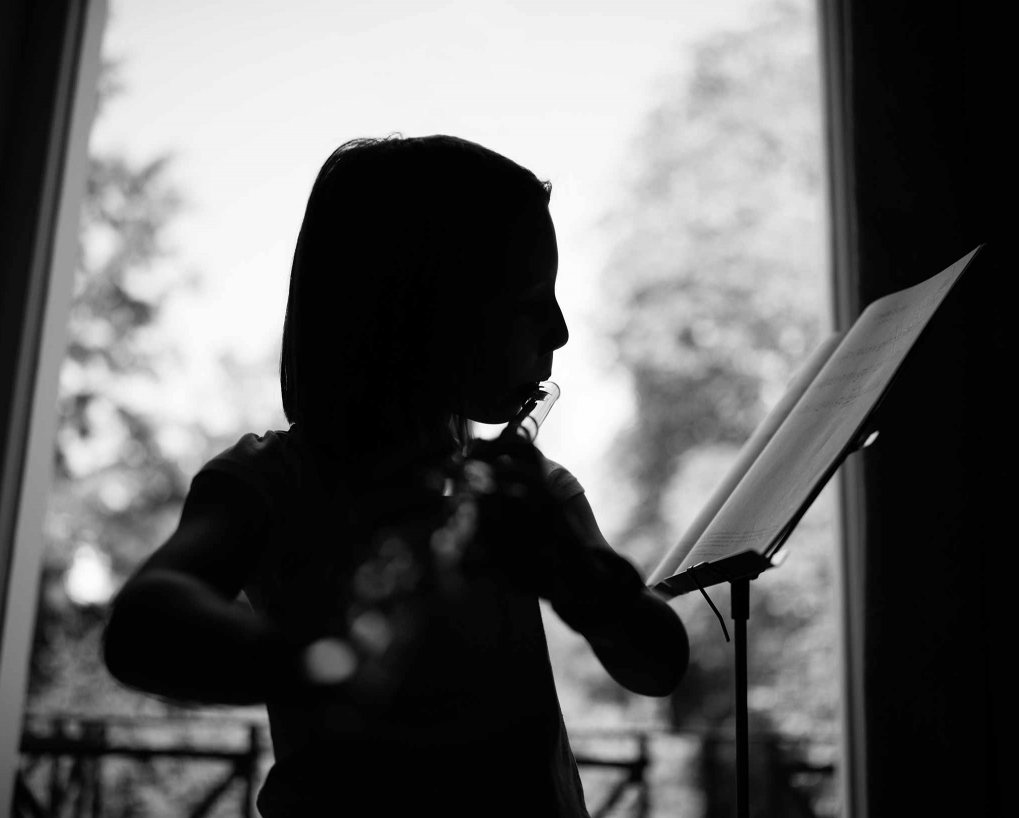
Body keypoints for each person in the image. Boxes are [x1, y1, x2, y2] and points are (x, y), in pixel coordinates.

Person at [102, 133, 690, 817]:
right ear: (428, 311)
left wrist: (575, 570)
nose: (559, 330)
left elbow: (661, 665)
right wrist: (327, 664)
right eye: (531, 298)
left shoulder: (529, 493)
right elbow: (143, 626)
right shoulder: (276, 481)